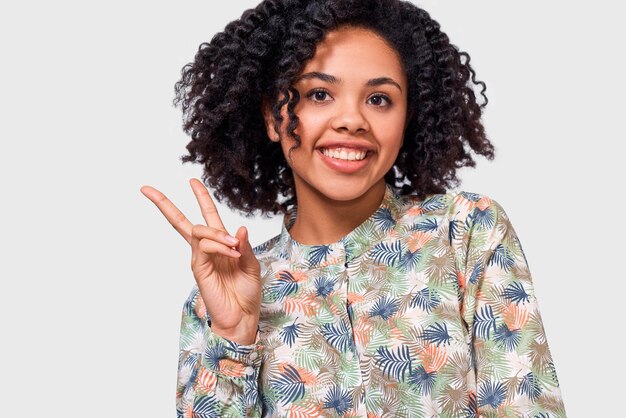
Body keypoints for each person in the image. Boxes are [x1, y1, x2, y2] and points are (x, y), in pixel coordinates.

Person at [140, 0, 566, 416]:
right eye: (320, 94)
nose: (352, 120)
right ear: (272, 117)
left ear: (407, 118)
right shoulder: (214, 301)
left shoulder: (466, 232)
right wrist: (234, 337)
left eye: (379, 99)